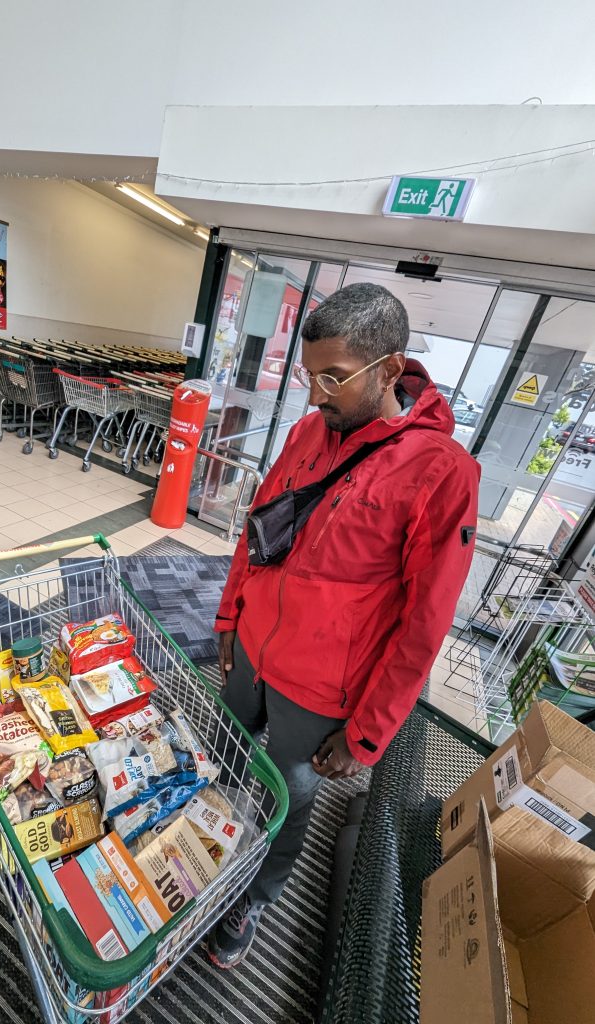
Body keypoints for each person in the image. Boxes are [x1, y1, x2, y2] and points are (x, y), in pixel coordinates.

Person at [206, 283, 480, 969]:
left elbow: (423, 625)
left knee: (287, 792)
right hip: (253, 648)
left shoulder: (441, 473)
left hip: (322, 685)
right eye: (308, 376)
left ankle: (256, 896)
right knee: (224, 748)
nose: (315, 395)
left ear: (390, 370)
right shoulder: (309, 433)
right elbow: (258, 531)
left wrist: (367, 734)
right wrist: (230, 613)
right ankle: (203, 836)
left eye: (333, 377)